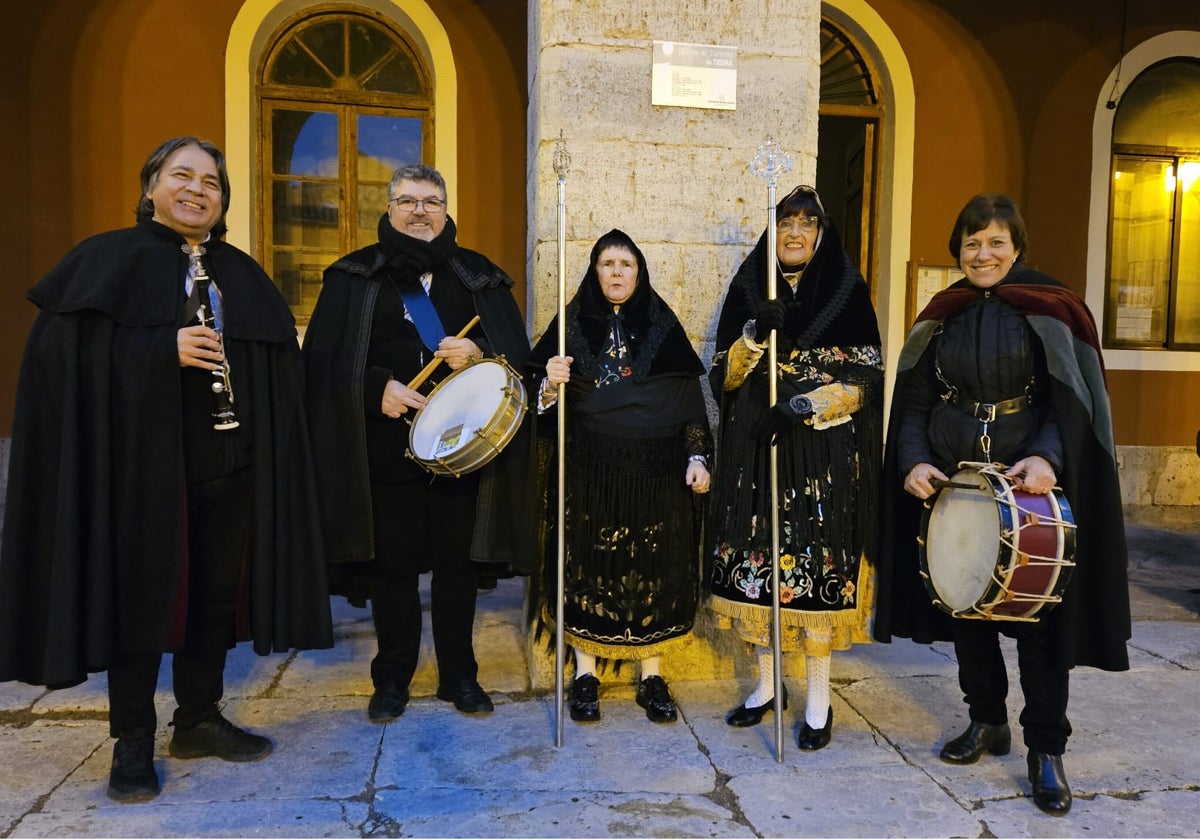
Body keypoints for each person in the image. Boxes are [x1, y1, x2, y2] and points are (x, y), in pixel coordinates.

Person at [0, 137, 334, 802]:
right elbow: (59, 369)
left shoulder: (239, 273)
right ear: (151, 186)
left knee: (213, 599)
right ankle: (131, 741)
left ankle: (199, 718)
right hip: (141, 473)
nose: (197, 189)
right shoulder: (104, 261)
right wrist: (160, 348)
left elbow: (277, 375)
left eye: (211, 181)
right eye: (182, 175)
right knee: (141, 604)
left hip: (228, 466)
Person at [874, 193, 1130, 816]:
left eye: (994, 242)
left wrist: (1048, 457)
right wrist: (912, 460)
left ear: (1017, 247)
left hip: (1030, 483)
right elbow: (913, 401)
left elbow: (1069, 400)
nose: (981, 254)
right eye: (970, 243)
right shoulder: (943, 314)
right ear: (956, 249)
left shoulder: (1052, 307)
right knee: (967, 607)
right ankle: (986, 720)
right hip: (956, 481)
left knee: (1040, 621)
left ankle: (1046, 748)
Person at [303, 163, 534, 723]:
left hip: (459, 454)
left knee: (457, 571)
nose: (419, 211)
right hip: (383, 452)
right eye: (407, 201)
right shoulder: (353, 277)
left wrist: (479, 355)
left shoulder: (480, 277)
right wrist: (371, 389)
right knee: (393, 571)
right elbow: (319, 365)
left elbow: (516, 362)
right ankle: (393, 678)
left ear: (446, 210)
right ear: (388, 210)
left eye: (430, 201)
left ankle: (461, 676)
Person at [707, 185, 883, 751]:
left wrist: (803, 404)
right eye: (786, 221)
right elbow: (723, 379)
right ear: (773, 229)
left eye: (809, 223)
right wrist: (756, 334)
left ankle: (818, 701)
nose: (796, 232)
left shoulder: (849, 293)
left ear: (822, 234)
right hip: (755, 452)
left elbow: (866, 382)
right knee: (763, 576)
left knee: (813, 574)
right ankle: (765, 688)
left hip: (822, 458)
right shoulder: (747, 287)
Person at [529, 229, 712, 724]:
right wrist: (549, 383)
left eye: (625, 264)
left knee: (653, 567)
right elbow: (538, 405)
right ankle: (584, 674)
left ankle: (651, 675)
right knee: (587, 565)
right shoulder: (568, 325)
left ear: (639, 272)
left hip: (656, 474)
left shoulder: (662, 324)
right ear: (594, 271)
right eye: (607, 263)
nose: (616, 272)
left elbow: (689, 405)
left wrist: (697, 458)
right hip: (590, 470)